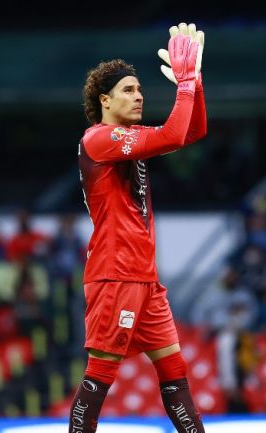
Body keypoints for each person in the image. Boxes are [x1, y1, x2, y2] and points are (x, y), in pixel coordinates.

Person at [69, 23, 207, 433]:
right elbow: (173, 132)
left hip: (144, 278)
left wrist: (194, 83)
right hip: (115, 276)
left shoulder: (127, 137)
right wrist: (182, 85)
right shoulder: (98, 139)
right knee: (100, 377)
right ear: (104, 99)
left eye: (140, 89)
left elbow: (191, 131)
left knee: (176, 372)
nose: (140, 95)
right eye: (129, 90)